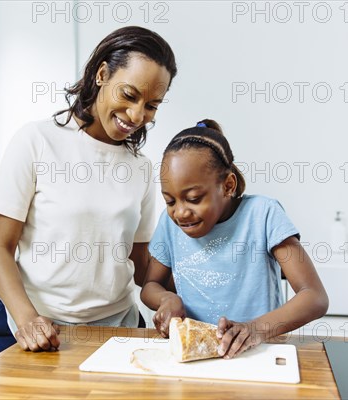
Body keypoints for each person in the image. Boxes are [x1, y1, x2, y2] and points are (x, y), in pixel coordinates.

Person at [0, 26, 177, 361]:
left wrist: (175, 294)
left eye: (151, 105)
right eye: (129, 95)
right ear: (102, 74)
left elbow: (140, 263)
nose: (136, 115)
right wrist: (28, 319)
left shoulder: (141, 167)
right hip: (35, 326)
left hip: (118, 330)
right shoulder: (36, 141)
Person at [140, 119, 328, 359]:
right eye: (170, 201)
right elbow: (149, 286)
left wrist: (254, 330)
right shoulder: (169, 225)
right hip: (196, 357)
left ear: (228, 185)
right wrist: (167, 298)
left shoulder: (263, 214)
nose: (180, 212)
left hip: (260, 354)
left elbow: (314, 296)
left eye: (194, 198)